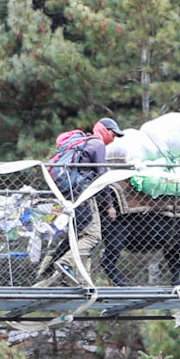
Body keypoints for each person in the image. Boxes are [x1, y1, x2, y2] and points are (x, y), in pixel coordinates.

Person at [38, 117, 122, 283]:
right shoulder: (97, 144)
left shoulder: (84, 143)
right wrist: (109, 205)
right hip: (83, 196)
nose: (113, 139)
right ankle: (65, 263)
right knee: (93, 237)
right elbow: (102, 175)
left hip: (70, 196)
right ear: (105, 131)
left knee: (82, 237)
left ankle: (84, 282)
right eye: (113, 134)